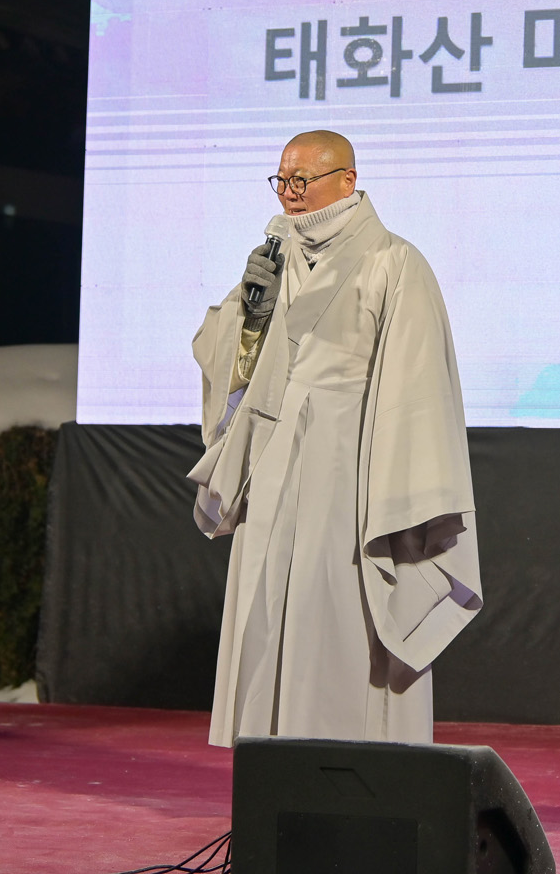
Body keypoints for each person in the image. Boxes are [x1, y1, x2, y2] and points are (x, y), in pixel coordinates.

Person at [188, 129, 482, 746]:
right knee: (267, 606)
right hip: (273, 462)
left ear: (347, 180)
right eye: (282, 180)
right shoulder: (273, 260)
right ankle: (272, 764)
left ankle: (349, 767)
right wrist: (252, 317)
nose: (289, 193)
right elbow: (229, 360)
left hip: (349, 466)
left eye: (302, 180)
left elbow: (418, 381)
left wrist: (399, 493)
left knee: (339, 611)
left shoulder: (394, 262)